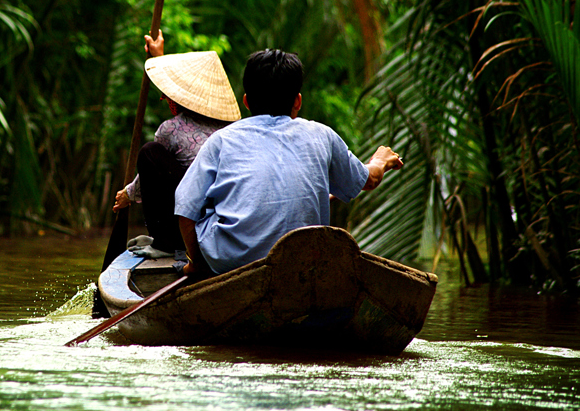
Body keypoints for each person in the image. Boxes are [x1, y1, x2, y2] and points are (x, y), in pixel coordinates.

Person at [174, 48, 403, 276]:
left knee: (206, 203)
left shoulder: (222, 140)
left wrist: (199, 263)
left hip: (231, 264)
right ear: (298, 102)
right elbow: (369, 179)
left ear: (246, 101)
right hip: (303, 260)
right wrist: (380, 160)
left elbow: (185, 205)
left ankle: (198, 265)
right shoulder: (322, 135)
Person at [112, 32, 240, 259]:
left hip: (194, 221)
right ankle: (167, 240)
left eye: (168, 96)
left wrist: (127, 195)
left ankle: (164, 243)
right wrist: (158, 56)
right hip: (228, 219)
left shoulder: (170, 129)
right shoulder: (232, 127)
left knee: (149, 153)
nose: (164, 98)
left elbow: (149, 174)